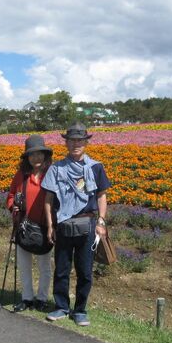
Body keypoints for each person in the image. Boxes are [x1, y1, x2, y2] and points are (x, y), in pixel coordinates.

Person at [41, 122, 111, 326]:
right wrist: (50, 225)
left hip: (88, 224)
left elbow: (102, 196)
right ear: (66, 143)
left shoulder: (96, 167)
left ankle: (80, 310)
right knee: (62, 268)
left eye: (80, 140)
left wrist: (101, 221)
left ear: (86, 142)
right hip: (63, 223)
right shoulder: (56, 169)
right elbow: (48, 199)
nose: (76, 144)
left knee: (85, 270)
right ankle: (61, 306)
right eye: (72, 140)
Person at [6, 134, 54, 312]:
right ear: (27, 157)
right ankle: (27, 298)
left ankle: (41, 298)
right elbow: (11, 196)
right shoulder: (21, 175)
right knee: (24, 266)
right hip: (24, 227)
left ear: (45, 155)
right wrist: (13, 207)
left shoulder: (51, 174)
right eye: (32, 154)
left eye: (40, 154)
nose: (36, 158)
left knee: (44, 266)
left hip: (44, 227)